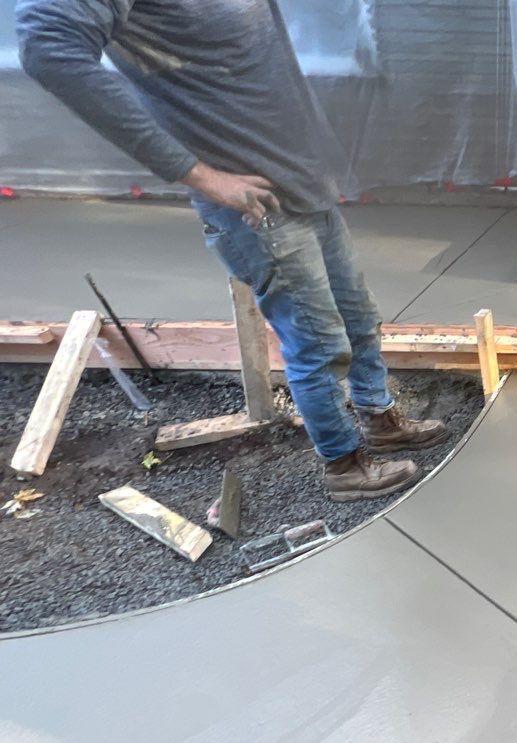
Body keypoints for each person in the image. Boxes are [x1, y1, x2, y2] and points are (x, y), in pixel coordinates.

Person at [17, 0, 447, 501]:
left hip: (303, 183)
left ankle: (380, 420)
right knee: (318, 341)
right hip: (255, 204)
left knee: (358, 317)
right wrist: (197, 173)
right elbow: (47, 46)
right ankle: (344, 465)